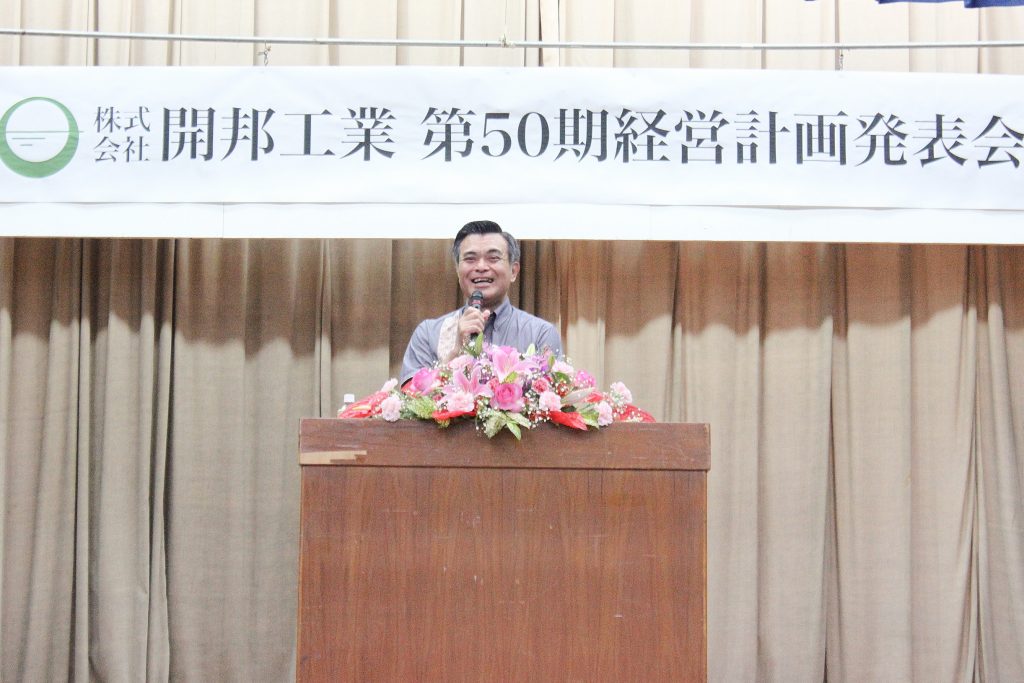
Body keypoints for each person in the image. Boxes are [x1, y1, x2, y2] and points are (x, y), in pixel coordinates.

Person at [400, 220, 562, 385]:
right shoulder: (428, 334)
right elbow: (409, 396)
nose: (481, 267)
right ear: (457, 270)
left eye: (493, 258)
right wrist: (456, 353)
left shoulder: (540, 334)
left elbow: (553, 395)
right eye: (470, 259)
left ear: (513, 271)